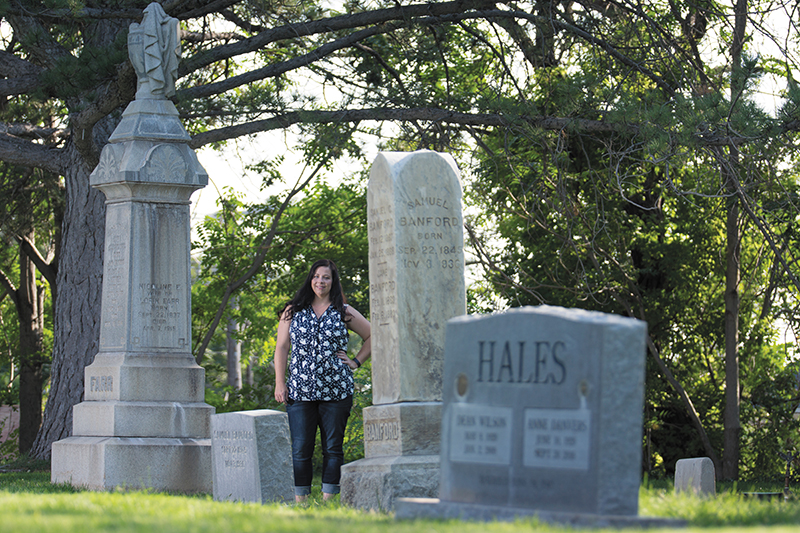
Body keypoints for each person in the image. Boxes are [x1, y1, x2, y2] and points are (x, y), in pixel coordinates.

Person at [273, 259, 371, 502]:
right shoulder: (292, 311)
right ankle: (302, 502)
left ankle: (328, 502)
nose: (320, 281)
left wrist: (356, 361)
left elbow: (374, 335)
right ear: (310, 279)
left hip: (337, 391)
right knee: (300, 449)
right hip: (300, 391)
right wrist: (279, 383)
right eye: (317, 276)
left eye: (326, 277)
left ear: (333, 281)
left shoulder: (343, 311)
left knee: (333, 448)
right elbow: (282, 348)